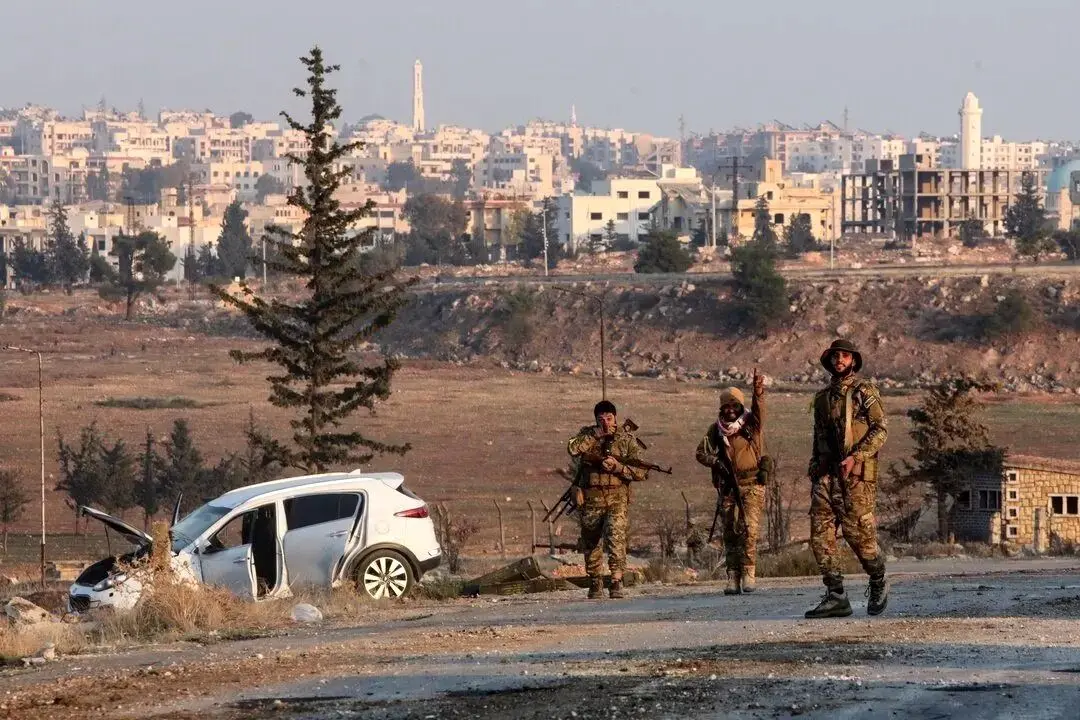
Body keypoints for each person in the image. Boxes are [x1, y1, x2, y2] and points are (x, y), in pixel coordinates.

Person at [805, 339, 889, 619]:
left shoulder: (864, 392)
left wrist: (858, 456)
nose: (839, 360)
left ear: (853, 360)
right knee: (821, 538)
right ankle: (836, 595)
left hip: (855, 478)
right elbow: (818, 437)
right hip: (826, 478)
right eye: (835, 356)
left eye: (844, 356)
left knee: (861, 538)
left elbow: (880, 429)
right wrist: (815, 466)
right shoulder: (822, 398)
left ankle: (878, 579)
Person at [696, 369, 767, 595]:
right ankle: (733, 577)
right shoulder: (716, 431)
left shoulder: (751, 425)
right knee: (730, 532)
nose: (730, 410)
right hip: (728, 487)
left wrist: (758, 391)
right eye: (726, 406)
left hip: (752, 484)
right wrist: (716, 462)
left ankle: (748, 573)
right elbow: (700, 453)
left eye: (734, 405)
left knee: (749, 529)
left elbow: (760, 410)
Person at [567, 400, 647, 599]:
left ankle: (616, 580)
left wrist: (618, 468)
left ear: (616, 418)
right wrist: (596, 434)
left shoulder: (626, 439)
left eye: (609, 418)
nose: (605, 422)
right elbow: (573, 449)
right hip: (591, 498)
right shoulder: (587, 435)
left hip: (617, 497)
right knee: (591, 541)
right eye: (600, 419)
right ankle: (595, 581)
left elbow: (641, 471)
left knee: (615, 536)